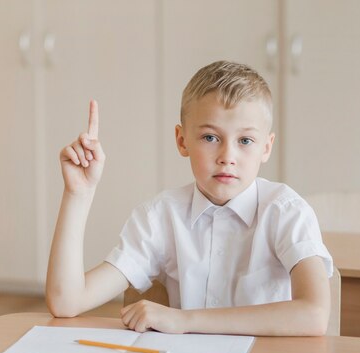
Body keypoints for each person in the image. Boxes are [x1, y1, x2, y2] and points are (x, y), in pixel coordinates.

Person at [46, 60, 333, 336]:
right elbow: (66, 301)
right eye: (210, 137)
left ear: (266, 147)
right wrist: (78, 193)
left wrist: (185, 320)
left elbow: (314, 315)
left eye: (245, 141)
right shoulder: (160, 216)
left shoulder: (285, 211)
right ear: (182, 140)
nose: (227, 157)